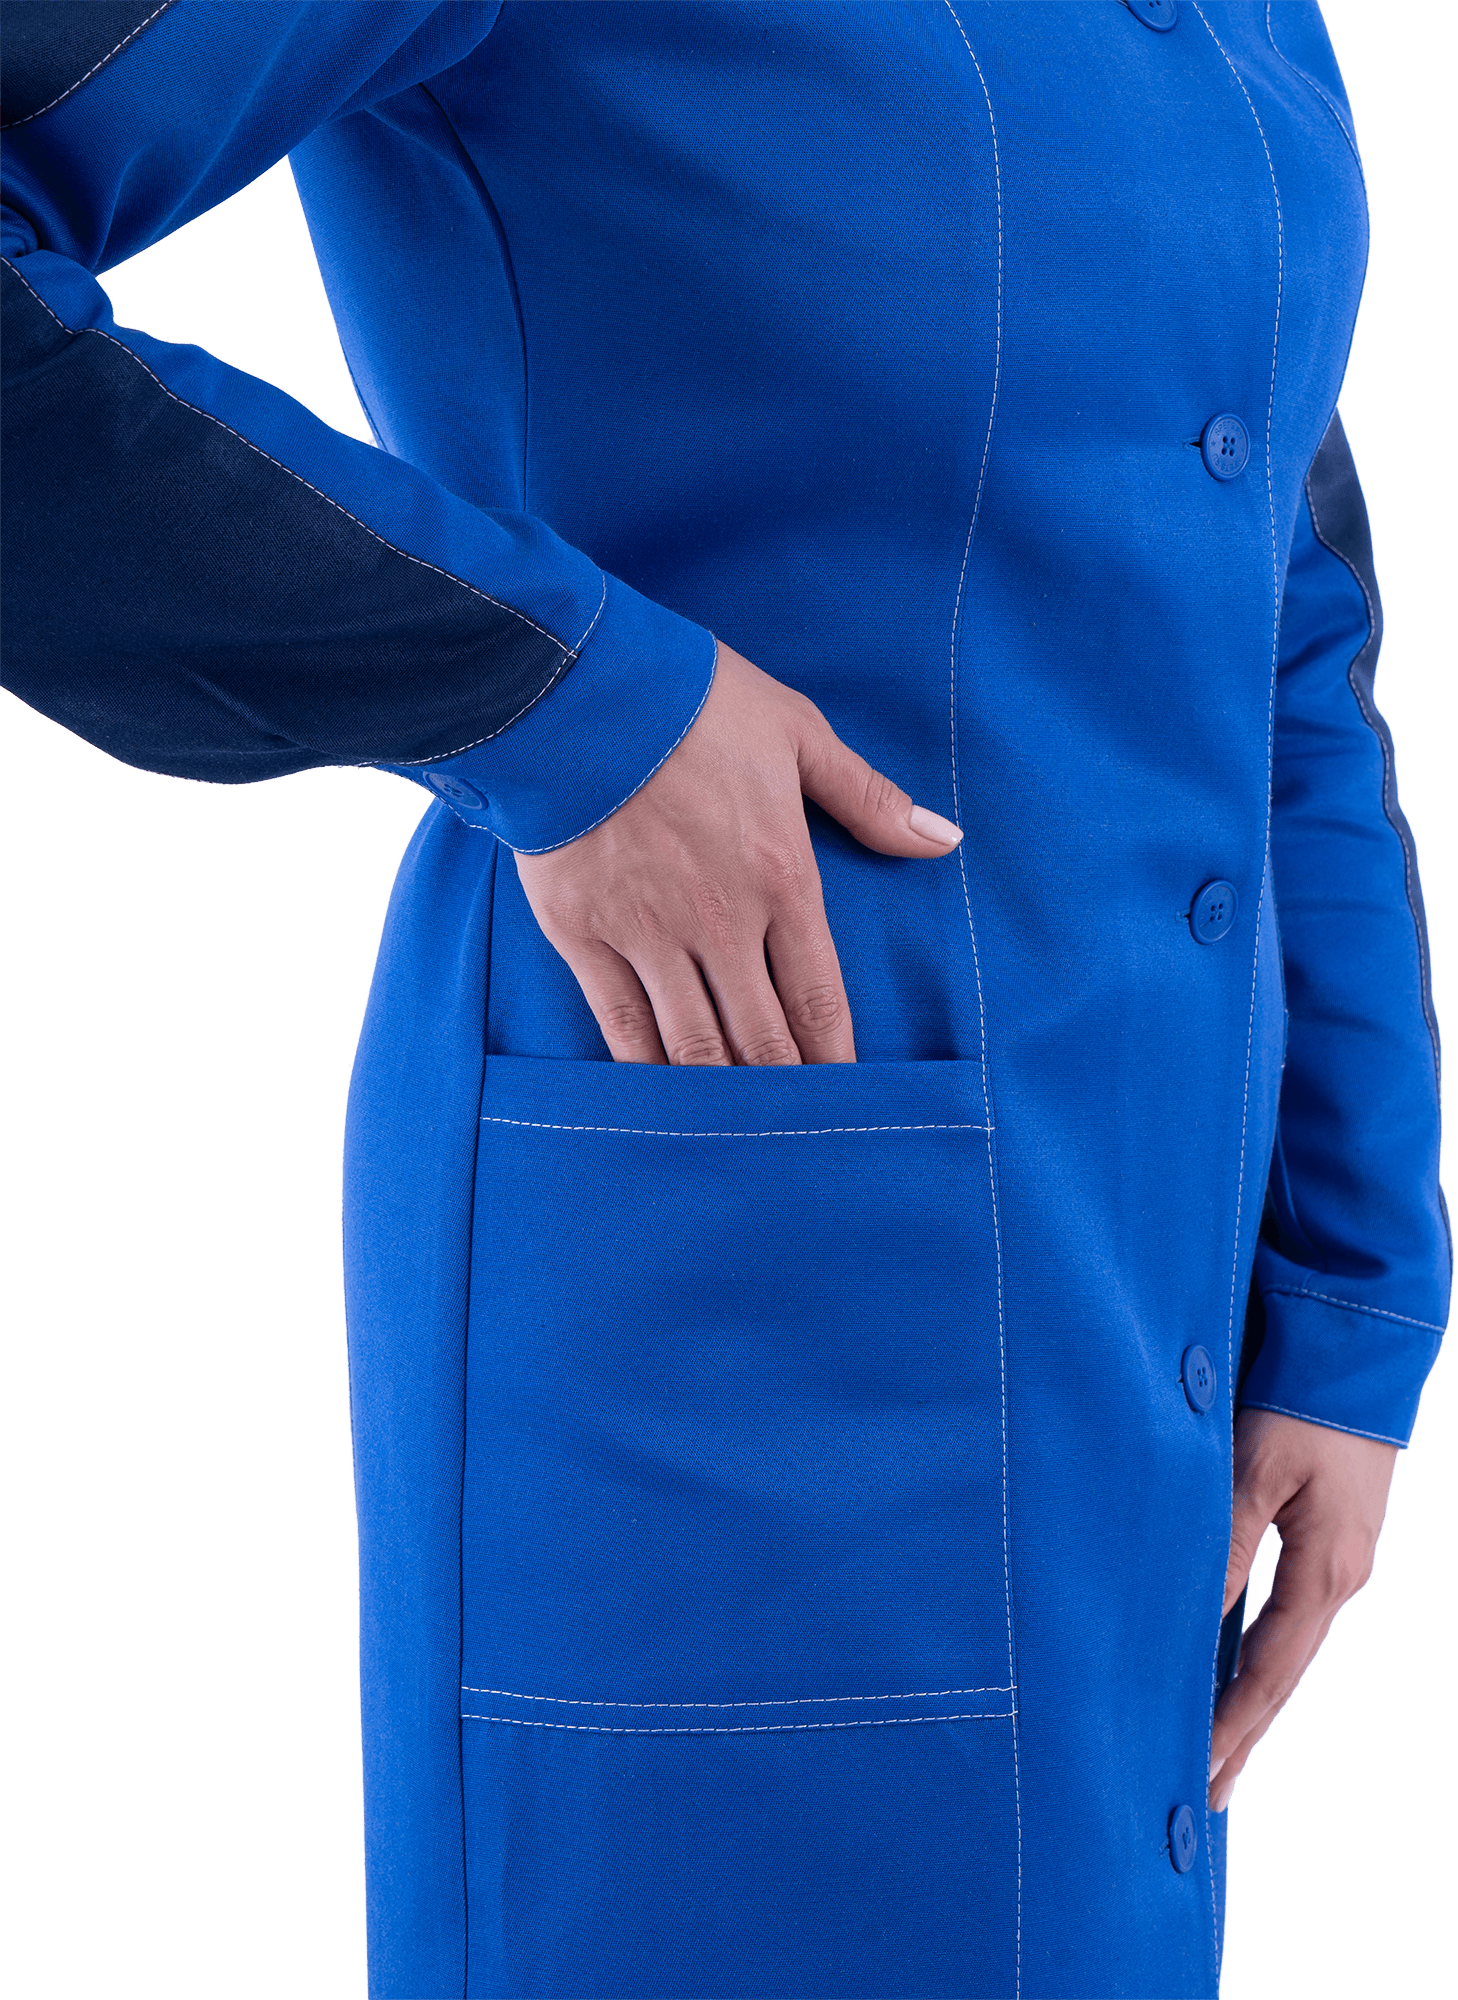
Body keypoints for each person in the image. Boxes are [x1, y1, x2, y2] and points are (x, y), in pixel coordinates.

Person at [2, 3, 1448, 1993]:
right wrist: (545, 693)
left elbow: (1280, 604)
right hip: (722, 1277)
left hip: (1144, 1292)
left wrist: (1351, 1287)